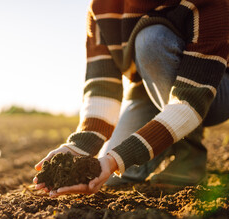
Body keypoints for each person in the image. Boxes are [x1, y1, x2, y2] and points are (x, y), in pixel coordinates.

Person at [33, 0, 229, 197]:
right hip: (147, 89)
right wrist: (80, 146)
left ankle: (189, 156)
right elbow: (102, 87)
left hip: (212, 86)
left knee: (152, 39)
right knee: (106, 174)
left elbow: (190, 102)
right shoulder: (101, 8)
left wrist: (121, 156)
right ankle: (168, 138)